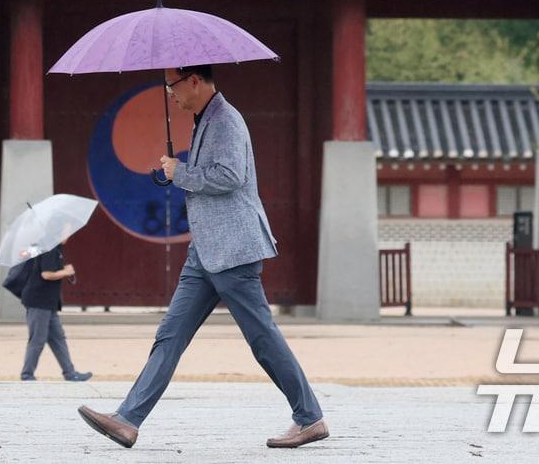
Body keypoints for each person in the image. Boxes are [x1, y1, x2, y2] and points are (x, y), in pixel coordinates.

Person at [79, 64, 327, 450]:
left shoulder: (226, 120)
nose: (170, 93)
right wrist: (179, 171)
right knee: (170, 334)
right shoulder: (204, 119)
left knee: (262, 338)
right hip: (206, 250)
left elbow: (230, 176)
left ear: (194, 80)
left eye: (172, 85)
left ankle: (309, 417)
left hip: (233, 249)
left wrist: (180, 172)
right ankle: (128, 420)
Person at [20, 241, 93, 382]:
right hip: (39, 301)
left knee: (58, 338)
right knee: (38, 339)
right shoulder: (50, 249)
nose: (68, 234)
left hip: (49, 302)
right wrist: (66, 272)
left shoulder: (55, 249)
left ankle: (70, 373)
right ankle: (27, 374)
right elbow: (46, 274)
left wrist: (63, 270)